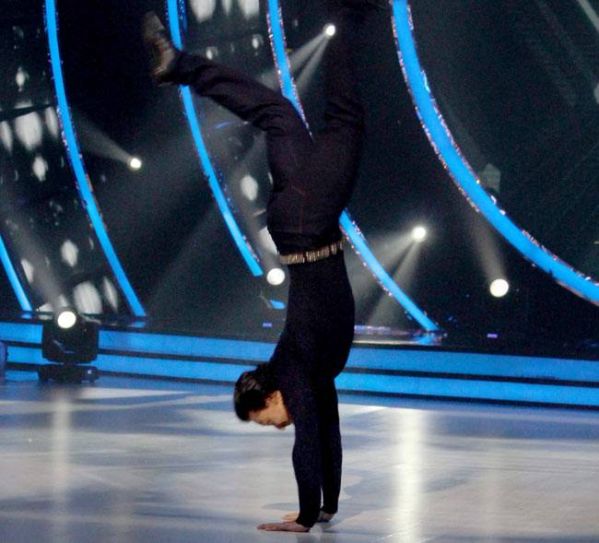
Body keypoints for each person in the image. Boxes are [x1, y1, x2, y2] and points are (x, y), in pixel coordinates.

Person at [143, 0, 385, 532]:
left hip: (307, 221)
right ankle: (178, 64)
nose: (278, 426)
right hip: (297, 220)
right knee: (277, 113)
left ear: (271, 395)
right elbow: (327, 431)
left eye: (267, 418)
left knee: (345, 120)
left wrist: (302, 519)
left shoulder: (294, 369)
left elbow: (307, 439)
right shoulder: (310, 371)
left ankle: (347, 15)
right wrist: (326, 508)